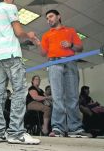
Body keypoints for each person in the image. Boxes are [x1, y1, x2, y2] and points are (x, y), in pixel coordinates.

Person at [0, 0, 40, 145]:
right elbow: (18, 32)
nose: (12, 2)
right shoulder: (9, 7)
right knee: (19, 91)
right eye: (12, 0)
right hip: (10, 54)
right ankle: (16, 133)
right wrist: (28, 34)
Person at [36, 9, 91, 138]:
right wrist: (37, 43)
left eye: (51, 16)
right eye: (47, 18)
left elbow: (80, 47)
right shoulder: (46, 35)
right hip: (54, 64)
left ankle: (75, 128)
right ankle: (58, 128)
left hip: (70, 63)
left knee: (72, 97)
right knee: (57, 97)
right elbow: (43, 53)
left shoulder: (70, 31)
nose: (48, 19)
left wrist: (70, 44)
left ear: (58, 16)